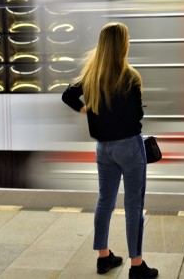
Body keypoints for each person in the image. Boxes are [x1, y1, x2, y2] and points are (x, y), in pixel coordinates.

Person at [62, 22, 158, 279]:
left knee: (105, 201)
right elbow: (136, 114)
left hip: (103, 149)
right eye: (127, 39)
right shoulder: (130, 76)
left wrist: (89, 110)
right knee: (133, 205)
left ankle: (103, 257)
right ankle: (136, 265)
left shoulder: (93, 74)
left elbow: (68, 96)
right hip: (128, 147)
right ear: (122, 45)